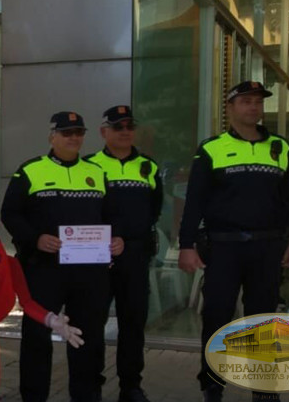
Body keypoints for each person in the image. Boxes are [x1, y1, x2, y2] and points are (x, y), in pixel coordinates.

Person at [177, 81, 289, 402]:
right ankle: (212, 384)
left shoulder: (279, 147)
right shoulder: (211, 149)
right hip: (222, 248)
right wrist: (186, 245)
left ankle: (263, 387)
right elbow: (195, 202)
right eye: (246, 101)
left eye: (258, 102)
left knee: (262, 317)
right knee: (217, 315)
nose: (253, 107)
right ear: (230, 108)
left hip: (267, 247)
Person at [0, 111, 123, 402]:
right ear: (52, 136)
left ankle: (86, 394)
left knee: (88, 335)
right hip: (43, 269)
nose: (73, 138)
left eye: (79, 132)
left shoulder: (95, 172)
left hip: (89, 272)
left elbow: (111, 217)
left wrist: (116, 239)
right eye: (67, 133)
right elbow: (10, 214)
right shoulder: (30, 170)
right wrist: (35, 239)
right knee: (36, 334)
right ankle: (33, 396)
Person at [83, 106, 162, 402]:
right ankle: (91, 384)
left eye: (129, 126)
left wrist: (130, 239)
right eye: (118, 127)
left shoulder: (148, 167)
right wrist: (103, 237)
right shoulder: (88, 165)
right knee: (92, 321)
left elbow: (153, 210)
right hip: (95, 256)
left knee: (133, 322)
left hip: (134, 257)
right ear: (104, 132)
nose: (125, 131)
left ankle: (131, 385)